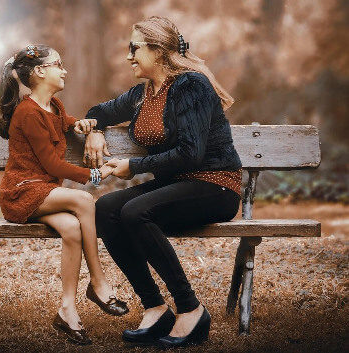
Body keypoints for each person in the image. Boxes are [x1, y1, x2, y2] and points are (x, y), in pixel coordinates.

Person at [83, 17, 242, 349]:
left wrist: (133, 166)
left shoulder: (190, 86)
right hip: (177, 185)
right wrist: (96, 131)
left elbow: (191, 154)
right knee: (107, 208)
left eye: (134, 48)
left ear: (156, 51)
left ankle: (190, 308)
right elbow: (100, 110)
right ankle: (155, 307)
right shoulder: (143, 93)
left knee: (135, 211)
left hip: (214, 184)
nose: (129, 56)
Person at [0, 45, 128, 345]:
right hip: (21, 192)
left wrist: (87, 126)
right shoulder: (27, 112)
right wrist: (99, 174)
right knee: (83, 200)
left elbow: (66, 122)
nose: (64, 69)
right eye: (59, 64)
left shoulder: (53, 105)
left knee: (71, 228)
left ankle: (67, 310)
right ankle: (98, 283)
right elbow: (53, 165)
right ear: (40, 72)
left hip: (44, 191)